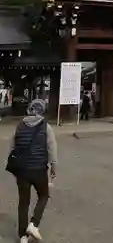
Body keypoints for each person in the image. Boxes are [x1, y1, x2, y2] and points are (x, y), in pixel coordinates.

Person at [8, 99, 57, 243]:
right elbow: (52, 148)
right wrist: (53, 166)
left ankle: (23, 236)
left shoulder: (19, 126)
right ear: (42, 111)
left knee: (23, 202)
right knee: (43, 195)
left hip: (22, 170)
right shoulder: (46, 127)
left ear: (29, 109)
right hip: (39, 169)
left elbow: (12, 147)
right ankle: (33, 224)